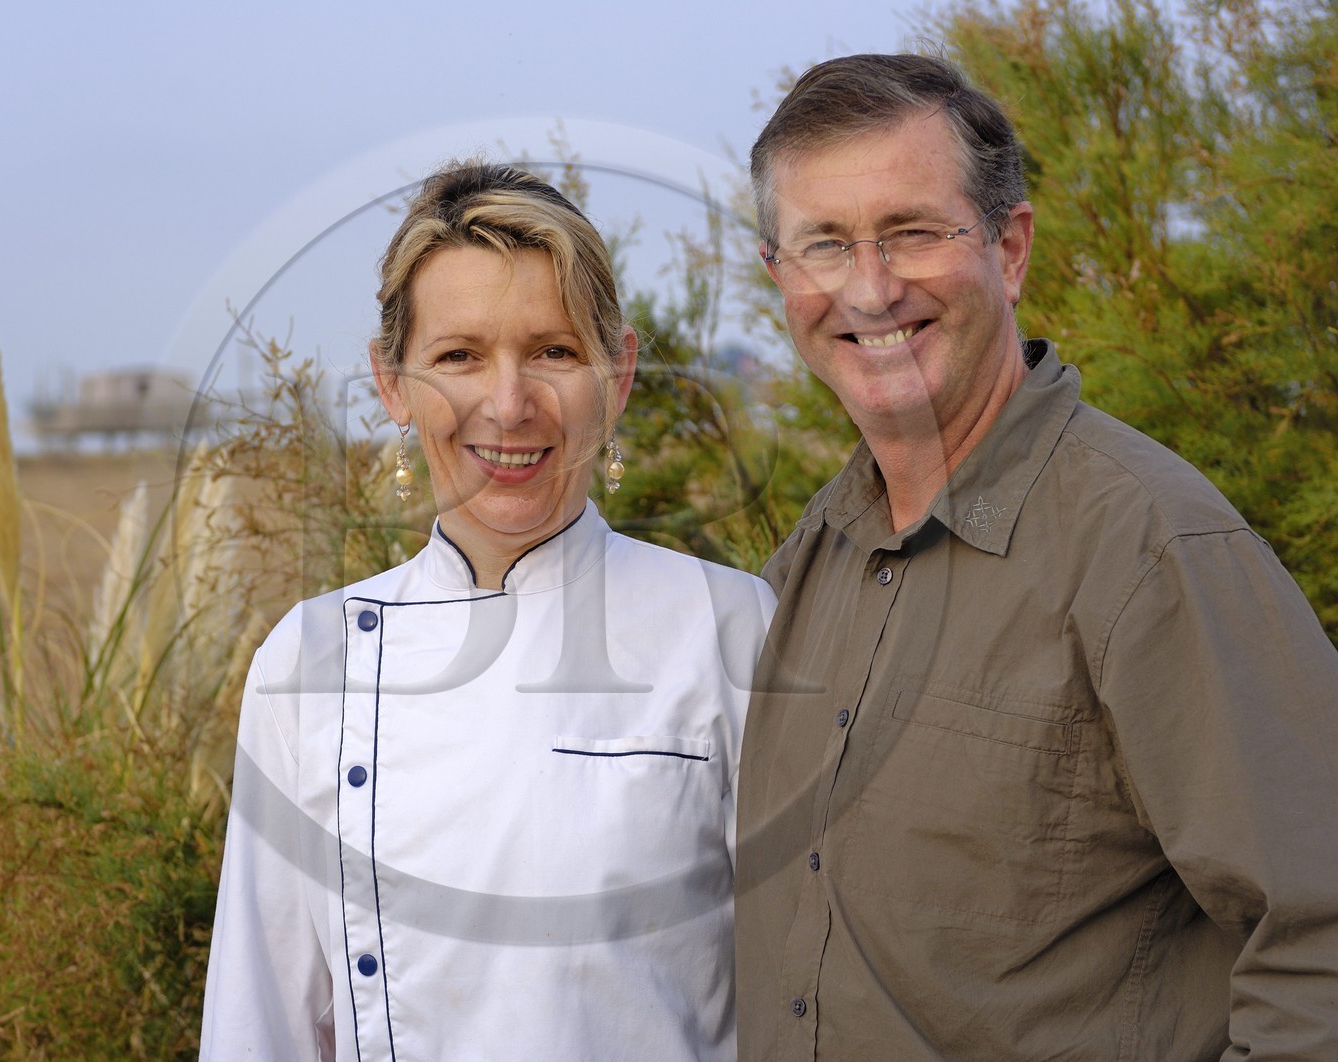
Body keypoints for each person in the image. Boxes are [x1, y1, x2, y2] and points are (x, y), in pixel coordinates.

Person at [734, 52, 1338, 1060]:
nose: (869, 289)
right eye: (825, 245)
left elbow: (1319, 943)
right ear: (780, 278)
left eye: (912, 233)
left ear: (1008, 249)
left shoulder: (1151, 547)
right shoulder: (808, 562)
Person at [201, 161, 776, 1061]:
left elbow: (807, 998)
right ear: (392, 382)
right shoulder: (309, 660)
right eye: (458, 356)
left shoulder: (730, 627)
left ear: (619, 374)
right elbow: (259, 1023)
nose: (509, 406)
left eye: (554, 352)